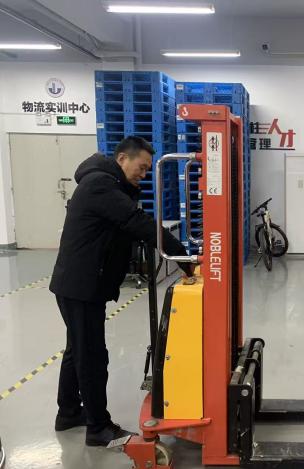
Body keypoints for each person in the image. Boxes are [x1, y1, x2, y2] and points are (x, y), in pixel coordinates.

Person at [49, 136, 194, 447]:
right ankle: (98, 428)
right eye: (141, 167)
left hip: (81, 283)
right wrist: (183, 257)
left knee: (77, 349)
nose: (143, 174)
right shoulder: (100, 185)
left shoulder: (109, 184)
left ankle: (68, 413)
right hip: (82, 285)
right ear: (122, 159)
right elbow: (134, 221)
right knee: (91, 355)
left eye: (147, 170)